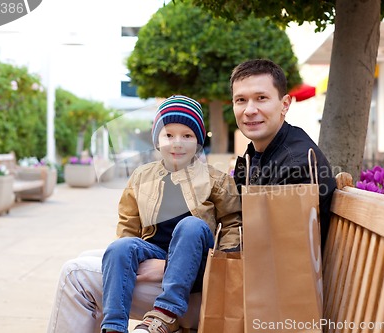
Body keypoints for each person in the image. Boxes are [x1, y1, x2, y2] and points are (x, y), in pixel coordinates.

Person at [47, 95, 241, 333]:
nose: (177, 143)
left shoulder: (216, 179)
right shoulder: (142, 176)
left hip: (196, 258)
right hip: (154, 251)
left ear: (198, 141)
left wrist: (222, 266)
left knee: (190, 225)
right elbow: (128, 224)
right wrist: (130, 258)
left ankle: (167, 313)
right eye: (168, 135)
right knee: (121, 247)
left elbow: (233, 223)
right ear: (157, 140)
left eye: (187, 136)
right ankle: (114, 325)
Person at [230, 59, 336, 245]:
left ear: (285, 104)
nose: (249, 110)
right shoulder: (259, 153)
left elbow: (278, 248)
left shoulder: (297, 164)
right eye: (241, 100)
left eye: (261, 98)